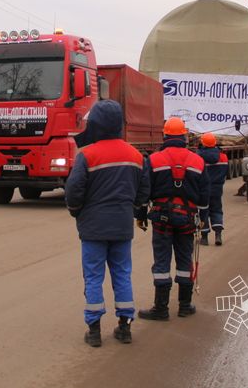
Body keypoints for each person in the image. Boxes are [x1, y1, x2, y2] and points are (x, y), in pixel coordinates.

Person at [65, 100, 149, 347]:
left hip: (93, 228)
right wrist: (131, 208)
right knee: (122, 274)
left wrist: (76, 211)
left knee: (93, 277)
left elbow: (74, 191)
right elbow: (143, 192)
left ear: (97, 124)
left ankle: (94, 331)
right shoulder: (135, 155)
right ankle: (125, 327)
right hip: (122, 227)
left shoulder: (87, 155)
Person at [137, 117, 209, 321]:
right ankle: (185, 306)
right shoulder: (198, 161)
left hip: (161, 218)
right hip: (187, 219)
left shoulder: (154, 160)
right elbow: (205, 196)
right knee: (184, 259)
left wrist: (140, 215)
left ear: (165, 135)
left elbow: (144, 192)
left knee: (161, 261)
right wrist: (202, 218)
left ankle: (161, 308)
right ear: (185, 136)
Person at [197, 133, 228, 247]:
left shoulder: (198, 157)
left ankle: (204, 238)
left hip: (203, 189)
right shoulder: (223, 157)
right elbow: (225, 173)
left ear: (202, 143)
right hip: (217, 188)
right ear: (215, 143)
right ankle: (218, 235)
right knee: (217, 210)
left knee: (203, 211)